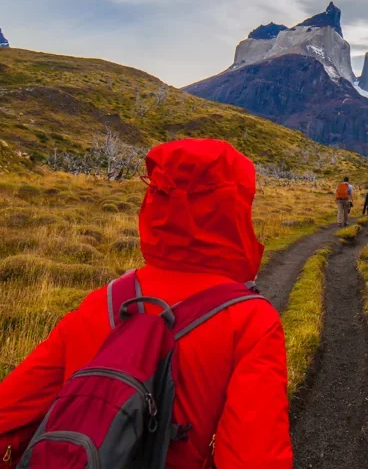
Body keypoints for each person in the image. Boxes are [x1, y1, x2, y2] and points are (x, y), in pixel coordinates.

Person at [0, 138, 293, 468]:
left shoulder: (100, 303)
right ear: (232, 209)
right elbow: (254, 456)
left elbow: (9, 415)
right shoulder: (252, 322)